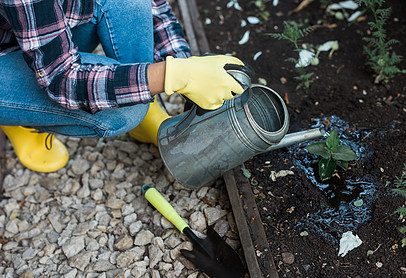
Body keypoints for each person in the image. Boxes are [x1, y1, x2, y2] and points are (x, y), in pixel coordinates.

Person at [0, 0, 245, 172]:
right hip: (9, 55)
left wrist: (185, 64)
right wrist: (173, 76)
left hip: (41, 32)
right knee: (125, 112)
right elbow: (63, 81)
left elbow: (153, 7)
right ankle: (21, 118)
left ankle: (147, 108)